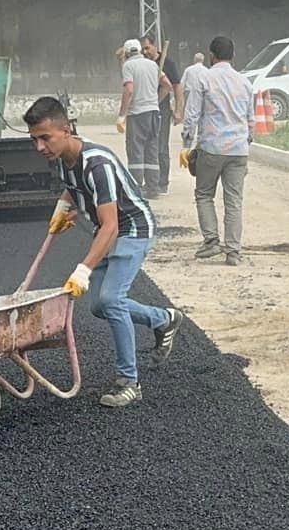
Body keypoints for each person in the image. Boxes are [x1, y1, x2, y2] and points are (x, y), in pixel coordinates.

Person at [24, 96, 181, 408]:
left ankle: (129, 381)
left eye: (45, 138)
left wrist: (82, 269)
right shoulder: (63, 158)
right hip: (109, 229)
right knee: (99, 305)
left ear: (66, 130)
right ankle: (163, 319)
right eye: (34, 140)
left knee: (111, 300)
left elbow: (110, 226)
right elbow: (72, 184)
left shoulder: (98, 164)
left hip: (132, 229)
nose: (40, 147)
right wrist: (64, 207)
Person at [180, 36, 255, 265]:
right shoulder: (245, 82)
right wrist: (246, 143)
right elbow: (250, 120)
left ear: (211, 55)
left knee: (204, 195)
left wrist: (186, 145)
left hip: (211, 148)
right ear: (233, 56)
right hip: (238, 150)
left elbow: (192, 114)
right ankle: (233, 252)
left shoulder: (204, 79)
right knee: (234, 201)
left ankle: (211, 241)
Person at [116, 39, 169, 197]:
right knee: (152, 149)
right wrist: (155, 101)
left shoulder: (128, 66)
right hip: (153, 112)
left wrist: (122, 115)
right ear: (139, 50)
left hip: (137, 114)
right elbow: (168, 86)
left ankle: (136, 187)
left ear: (126, 52)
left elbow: (129, 90)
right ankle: (153, 188)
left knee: (136, 150)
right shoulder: (153, 65)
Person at [141, 36, 184, 188]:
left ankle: (162, 181)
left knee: (161, 147)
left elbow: (177, 87)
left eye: (147, 48)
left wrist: (179, 110)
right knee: (147, 147)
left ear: (155, 46)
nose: (145, 52)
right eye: (143, 49)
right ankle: (150, 181)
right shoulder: (143, 64)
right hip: (145, 111)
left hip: (162, 111)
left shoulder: (168, 63)